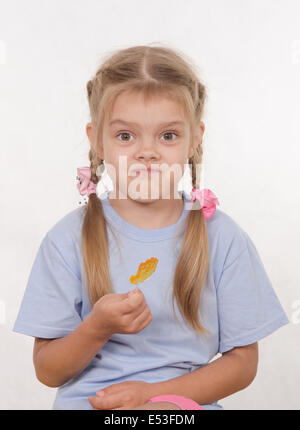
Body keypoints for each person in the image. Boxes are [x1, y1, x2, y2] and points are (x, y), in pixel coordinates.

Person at [13, 45, 289, 411]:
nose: (147, 152)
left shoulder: (223, 239)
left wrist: (153, 398)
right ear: (98, 141)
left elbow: (242, 365)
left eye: (168, 136)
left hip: (181, 408)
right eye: (126, 136)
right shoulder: (67, 240)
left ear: (194, 139)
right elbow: (48, 371)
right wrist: (97, 327)